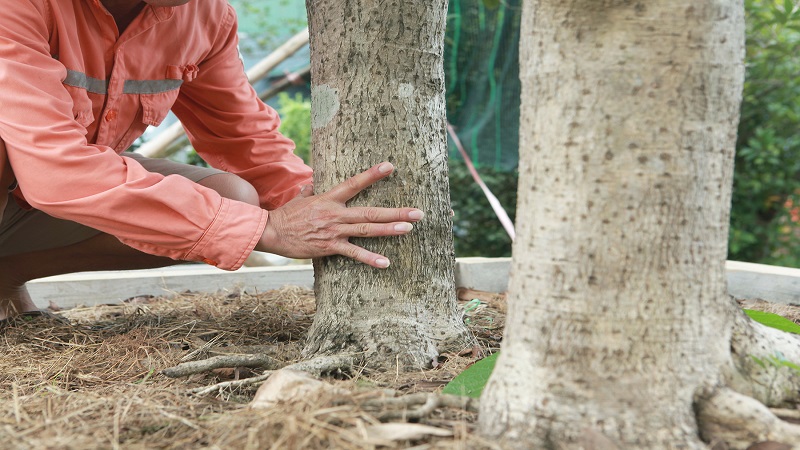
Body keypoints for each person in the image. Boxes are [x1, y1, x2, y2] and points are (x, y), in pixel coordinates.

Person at [0, 0, 424, 321]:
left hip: (32, 202)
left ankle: (7, 274)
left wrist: (315, 204)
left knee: (232, 197)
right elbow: (58, 172)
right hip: (42, 180)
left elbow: (243, 136)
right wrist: (268, 229)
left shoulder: (205, 17)